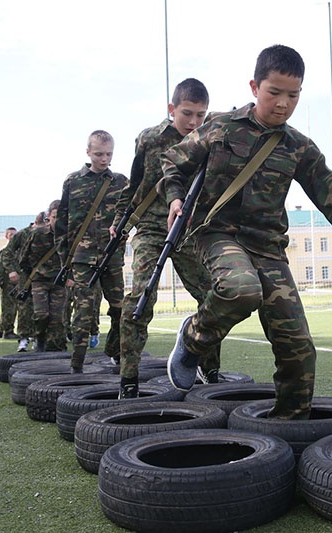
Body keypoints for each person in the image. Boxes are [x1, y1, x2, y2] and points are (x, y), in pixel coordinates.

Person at [160, 45, 332, 419]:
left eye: (293, 95)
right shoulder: (220, 127)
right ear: (254, 87)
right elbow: (173, 162)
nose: (283, 104)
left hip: (266, 246)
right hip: (216, 234)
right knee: (241, 289)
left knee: (298, 347)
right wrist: (173, 199)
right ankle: (193, 340)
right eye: (274, 93)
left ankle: (289, 426)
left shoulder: (298, 147)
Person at [111, 78, 220, 399]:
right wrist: (121, 222)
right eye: (187, 114)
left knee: (213, 298)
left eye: (201, 115)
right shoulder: (149, 139)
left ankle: (208, 370)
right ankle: (128, 380)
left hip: (189, 231)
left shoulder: (209, 138)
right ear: (172, 109)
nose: (194, 122)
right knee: (140, 301)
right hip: (151, 229)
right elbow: (135, 187)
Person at [55, 130, 128, 373]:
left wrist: (122, 232)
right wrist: (65, 260)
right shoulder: (73, 181)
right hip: (82, 258)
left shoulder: (120, 182)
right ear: (88, 152)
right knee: (84, 312)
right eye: (98, 154)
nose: (104, 159)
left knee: (120, 308)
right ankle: (77, 364)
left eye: (108, 154)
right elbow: (62, 222)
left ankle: (115, 353)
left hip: (112, 256)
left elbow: (129, 215)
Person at [19, 201, 69, 352]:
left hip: (59, 281)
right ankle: (39, 337)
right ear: (48, 217)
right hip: (39, 280)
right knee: (41, 315)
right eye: (54, 217)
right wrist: (31, 276)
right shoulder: (38, 234)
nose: (58, 220)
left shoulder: (69, 235)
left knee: (57, 319)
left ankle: (55, 347)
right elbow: (23, 258)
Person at [3, 214, 47, 352]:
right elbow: (7, 253)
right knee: (24, 307)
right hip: (26, 276)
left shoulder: (52, 233)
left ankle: (38, 337)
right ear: (36, 223)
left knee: (42, 309)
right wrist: (12, 270)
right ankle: (23, 338)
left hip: (45, 276)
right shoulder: (22, 234)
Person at [0, 227, 20, 339]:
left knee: (10, 307)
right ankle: (8, 331)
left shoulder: (16, 249)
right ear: (6, 236)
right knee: (9, 308)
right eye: (11, 234)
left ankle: (0, 329)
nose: (13, 237)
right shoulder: (6, 251)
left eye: (15, 235)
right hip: (8, 283)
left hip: (15, 282)